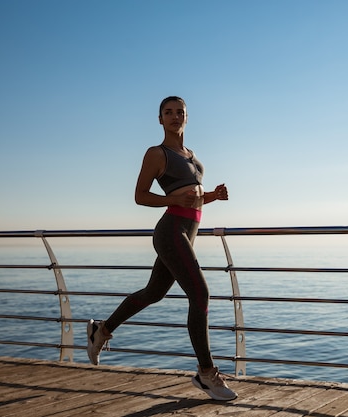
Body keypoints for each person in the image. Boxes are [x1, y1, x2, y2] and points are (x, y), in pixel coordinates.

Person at [86, 96, 237, 401]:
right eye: (168, 112)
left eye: (179, 112)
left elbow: (191, 197)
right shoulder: (157, 153)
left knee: (154, 292)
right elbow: (141, 195)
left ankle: (101, 330)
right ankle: (207, 374)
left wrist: (212, 196)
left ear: (187, 117)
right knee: (200, 294)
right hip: (170, 231)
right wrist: (171, 200)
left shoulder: (193, 156)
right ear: (160, 120)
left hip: (187, 231)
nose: (174, 116)